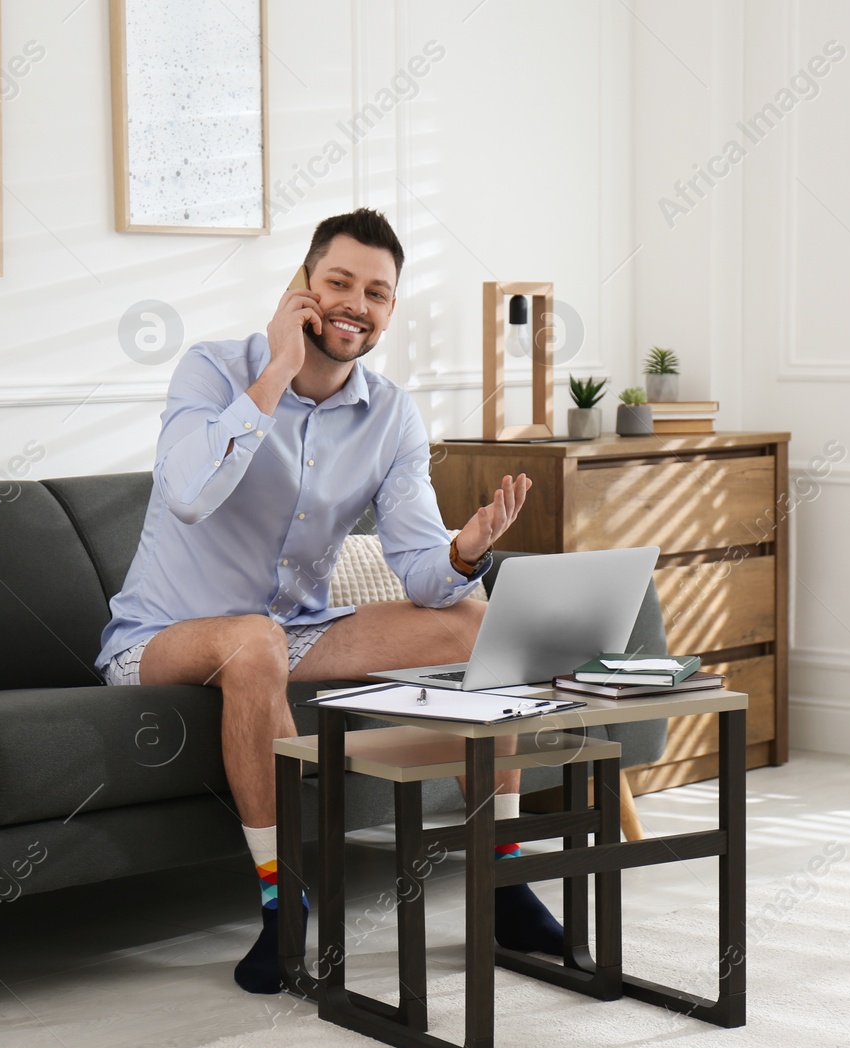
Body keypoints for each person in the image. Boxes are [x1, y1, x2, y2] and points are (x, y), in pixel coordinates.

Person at [96, 207, 565, 994]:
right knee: (251, 640)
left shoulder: (391, 415)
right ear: (302, 286)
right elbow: (185, 495)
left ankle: (503, 877)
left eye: (377, 292)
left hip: (295, 631)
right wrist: (274, 373)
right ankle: (285, 903)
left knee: (477, 623)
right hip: (161, 639)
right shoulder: (212, 371)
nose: (357, 303)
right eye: (339, 282)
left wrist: (464, 550)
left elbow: (418, 564)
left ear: (389, 310)